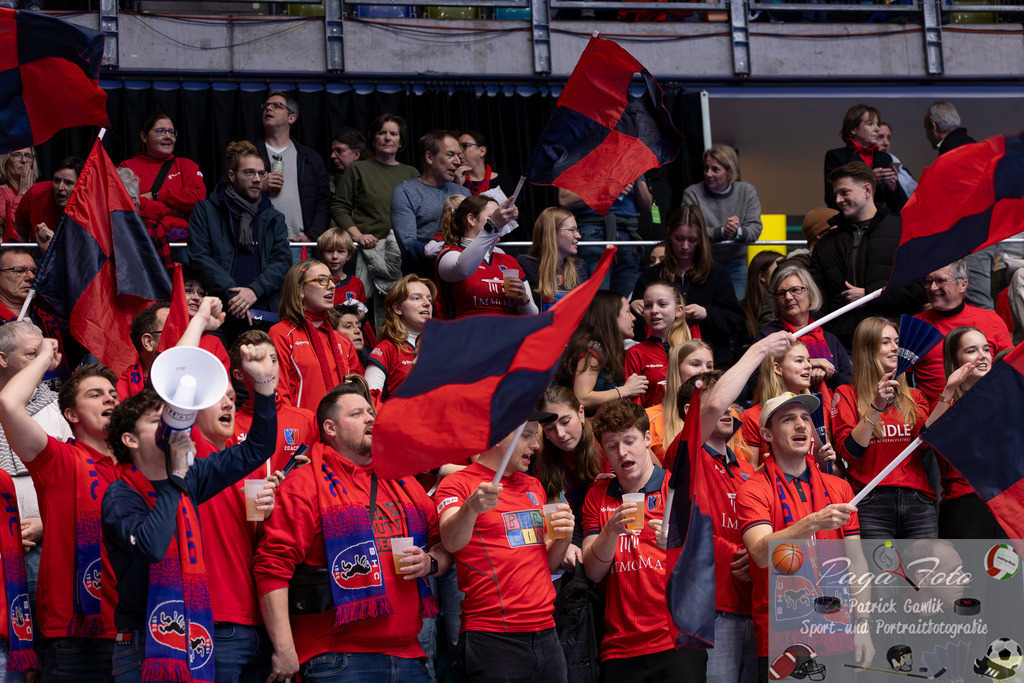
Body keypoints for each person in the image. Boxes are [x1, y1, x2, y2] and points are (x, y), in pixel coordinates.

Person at [100, 329, 280, 682]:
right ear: (130, 439)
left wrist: (263, 384)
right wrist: (175, 480)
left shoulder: (191, 477)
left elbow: (257, 449)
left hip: (197, 636)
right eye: (157, 421)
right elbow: (152, 545)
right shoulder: (119, 495)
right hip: (143, 649)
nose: (169, 427)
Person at [255, 382, 452, 682]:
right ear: (330, 428)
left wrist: (431, 562)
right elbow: (272, 567)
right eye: (357, 414)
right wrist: (284, 648)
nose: (371, 419)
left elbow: (444, 541)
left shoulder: (404, 480)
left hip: (409, 655)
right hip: (336, 658)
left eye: (371, 413)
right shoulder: (305, 484)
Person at [736, 391, 873, 680]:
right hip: (782, 638)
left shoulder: (838, 488)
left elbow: (857, 563)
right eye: (788, 419)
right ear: (767, 435)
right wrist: (811, 523)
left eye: (805, 418)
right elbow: (761, 555)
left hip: (838, 632)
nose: (801, 425)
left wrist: (862, 625)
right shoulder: (753, 490)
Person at [0, 353, 120, 680]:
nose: (109, 398)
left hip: (134, 634)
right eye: (94, 395)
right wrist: (42, 358)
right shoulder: (59, 459)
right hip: (75, 636)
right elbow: (9, 403)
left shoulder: (140, 467)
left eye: (113, 394)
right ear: (71, 414)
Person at [435, 412, 573, 682]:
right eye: (527, 435)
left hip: (546, 631)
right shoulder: (458, 484)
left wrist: (564, 538)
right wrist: (472, 508)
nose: (535, 445)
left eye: (536, 436)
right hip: (492, 636)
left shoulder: (534, 486)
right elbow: (451, 541)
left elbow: (547, 563)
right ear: (498, 436)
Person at [582, 399, 707, 681]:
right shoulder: (598, 496)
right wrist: (610, 531)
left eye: (629, 441)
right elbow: (593, 570)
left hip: (678, 641)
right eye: (612, 446)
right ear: (604, 451)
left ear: (648, 439)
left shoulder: (678, 489)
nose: (623, 452)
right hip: (619, 647)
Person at [831, 317, 935, 538]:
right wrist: (876, 406)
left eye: (897, 341)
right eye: (886, 342)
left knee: (930, 571)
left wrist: (947, 394)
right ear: (867, 350)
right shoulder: (846, 394)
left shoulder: (914, 396)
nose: (896, 348)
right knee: (883, 574)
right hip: (871, 501)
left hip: (917, 501)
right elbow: (851, 452)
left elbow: (925, 443)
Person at [808, 161, 926, 347]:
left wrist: (871, 295)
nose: (838, 200)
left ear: (867, 190)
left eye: (844, 192)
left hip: (896, 342)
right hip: (845, 345)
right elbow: (816, 299)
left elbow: (921, 288)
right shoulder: (826, 243)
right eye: (836, 194)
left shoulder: (903, 231)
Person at [187, 140, 292, 332]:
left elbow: (283, 262)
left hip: (263, 310)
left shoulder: (273, 216)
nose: (257, 179)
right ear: (231, 175)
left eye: (262, 173)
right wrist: (235, 296)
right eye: (249, 172)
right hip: (220, 310)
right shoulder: (206, 210)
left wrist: (254, 291)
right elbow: (199, 257)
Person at [0, 322, 70, 607]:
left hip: (53, 541)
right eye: (32, 354)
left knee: (53, 641)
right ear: (2, 358)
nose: (44, 360)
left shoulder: (60, 405)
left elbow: (80, 476)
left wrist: (47, 520)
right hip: (3, 549)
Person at [329, 114, 418, 324]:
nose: (387, 137)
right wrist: (358, 235)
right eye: (382, 132)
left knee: (402, 310)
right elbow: (338, 206)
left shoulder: (412, 173)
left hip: (402, 255)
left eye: (393, 133)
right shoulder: (358, 169)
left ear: (401, 140)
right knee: (365, 312)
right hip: (368, 253)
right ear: (373, 138)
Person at [633, 205, 745, 369]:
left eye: (692, 240)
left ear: (701, 239)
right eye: (679, 238)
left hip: (709, 363)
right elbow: (635, 330)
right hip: (661, 364)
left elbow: (737, 320)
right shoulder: (652, 275)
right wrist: (637, 308)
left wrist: (707, 313)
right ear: (670, 235)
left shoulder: (715, 273)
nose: (685, 246)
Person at [931, 326, 1005, 538]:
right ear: (955, 361)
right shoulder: (945, 404)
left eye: (986, 349)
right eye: (971, 351)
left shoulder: (1007, 399)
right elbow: (927, 440)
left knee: (1012, 572)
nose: (982, 356)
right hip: (966, 504)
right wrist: (950, 389)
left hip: (1006, 503)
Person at [911, 259, 1011, 402]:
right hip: (935, 418)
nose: (932, 288)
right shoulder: (914, 325)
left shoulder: (990, 320)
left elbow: (1008, 369)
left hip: (986, 409)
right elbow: (902, 381)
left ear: (962, 285)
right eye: (928, 281)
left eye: (940, 281)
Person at [270, 259, 360, 414]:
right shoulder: (281, 333)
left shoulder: (343, 340)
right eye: (322, 280)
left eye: (332, 280)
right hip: (302, 433)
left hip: (342, 431)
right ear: (300, 290)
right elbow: (278, 394)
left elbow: (359, 390)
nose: (332, 285)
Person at [228, 330, 317, 471]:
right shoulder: (229, 426)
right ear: (239, 375)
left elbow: (324, 475)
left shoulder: (306, 420)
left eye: (273, 360)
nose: (268, 367)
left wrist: (309, 471)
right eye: (258, 361)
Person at [535, 385, 603, 571]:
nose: (560, 434)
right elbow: (555, 518)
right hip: (579, 531)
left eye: (565, 421)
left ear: (581, 413)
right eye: (550, 428)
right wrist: (563, 545)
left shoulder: (607, 437)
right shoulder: (546, 458)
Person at [683, 144, 764, 299]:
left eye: (715, 169)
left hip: (735, 263)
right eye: (706, 168)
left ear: (729, 172)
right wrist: (722, 232)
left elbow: (755, 229)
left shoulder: (746, 191)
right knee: (703, 309)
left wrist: (737, 231)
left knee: (736, 308)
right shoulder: (692, 193)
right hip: (702, 263)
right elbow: (690, 231)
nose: (708, 174)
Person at [755, 265, 853, 393]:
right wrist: (809, 364)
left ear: (811, 294)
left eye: (795, 290)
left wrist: (830, 373)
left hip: (831, 410)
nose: (788, 297)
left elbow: (850, 384)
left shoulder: (830, 339)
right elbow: (756, 382)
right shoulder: (769, 336)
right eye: (781, 293)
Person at [435, 194, 535, 318]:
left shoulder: (509, 260)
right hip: (465, 334)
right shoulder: (449, 254)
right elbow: (463, 269)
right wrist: (491, 227)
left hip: (506, 334)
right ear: (471, 219)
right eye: (492, 217)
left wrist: (524, 300)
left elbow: (533, 315)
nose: (499, 223)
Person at [119, 111, 206, 242]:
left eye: (172, 132)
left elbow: (198, 198)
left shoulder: (186, 165)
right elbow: (127, 206)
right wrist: (173, 210)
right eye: (161, 131)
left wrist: (156, 195)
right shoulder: (127, 167)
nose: (168, 136)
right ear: (144, 136)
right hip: (143, 242)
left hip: (182, 243)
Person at [392, 130, 470, 275]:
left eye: (458, 156)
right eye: (450, 154)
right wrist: (445, 251)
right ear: (429, 157)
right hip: (423, 278)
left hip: (460, 274)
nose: (458, 161)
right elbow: (408, 245)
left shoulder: (463, 193)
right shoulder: (405, 192)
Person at [256, 91, 330, 244]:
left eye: (277, 106)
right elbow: (227, 193)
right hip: (261, 243)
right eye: (266, 106)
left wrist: (313, 235)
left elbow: (324, 200)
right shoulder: (250, 154)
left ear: (291, 117)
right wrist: (258, 184)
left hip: (300, 243)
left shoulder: (310, 158)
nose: (269, 109)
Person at [556, 291, 647, 412]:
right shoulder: (592, 351)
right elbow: (582, 398)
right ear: (610, 317)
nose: (634, 317)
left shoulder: (610, 350)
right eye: (628, 311)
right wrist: (626, 390)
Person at [559, 178, 651, 298]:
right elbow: (565, 199)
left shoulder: (632, 160)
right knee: (597, 300)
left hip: (628, 235)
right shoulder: (578, 159)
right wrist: (607, 188)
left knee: (626, 300)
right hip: (595, 231)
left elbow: (648, 205)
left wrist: (637, 173)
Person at [740, 342, 828, 463]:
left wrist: (828, 464)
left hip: (817, 481)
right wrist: (772, 466)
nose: (809, 366)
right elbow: (748, 473)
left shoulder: (817, 410)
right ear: (777, 368)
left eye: (808, 360)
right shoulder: (752, 416)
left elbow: (835, 471)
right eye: (799, 361)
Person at [823, 103, 906, 214]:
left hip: (882, 223)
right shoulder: (836, 156)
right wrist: (870, 179)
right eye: (870, 124)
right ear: (853, 129)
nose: (877, 129)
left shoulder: (885, 158)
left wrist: (893, 187)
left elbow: (899, 206)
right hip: (851, 223)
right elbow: (832, 199)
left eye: (877, 124)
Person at [366, 274, 435, 400]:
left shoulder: (442, 347)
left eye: (429, 299)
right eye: (416, 298)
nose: (427, 304)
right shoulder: (387, 349)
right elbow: (370, 399)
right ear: (397, 308)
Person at [646, 339, 714, 465]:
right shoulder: (649, 418)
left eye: (709, 366)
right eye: (696, 364)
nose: (705, 371)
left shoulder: (728, 414)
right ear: (676, 370)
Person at [626, 281, 692, 408]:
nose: (654, 310)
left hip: (690, 422)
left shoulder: (692, 350)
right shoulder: (636, 353)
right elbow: (634, 406)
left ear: (679, 311)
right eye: (648, 305)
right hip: (653, 424)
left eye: (662, 304)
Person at [517, 207, 589, 312]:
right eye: (572, 230)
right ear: (552, 233)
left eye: (577, 230)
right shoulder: (526, 265)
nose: (578, 236)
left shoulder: (580, 266)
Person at [13, 156, 83, 252]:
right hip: (38, 254)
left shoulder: (89, 204)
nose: (60, 187)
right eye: (57, 180)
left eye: (68, 183)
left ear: (80, 186)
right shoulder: (35, 193)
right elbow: (19, 230)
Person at [317, 227, 366, 308]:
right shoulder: (316, 282)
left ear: (349, 255)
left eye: (340, 251)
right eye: (329, 251)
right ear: (321, 254)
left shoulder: (356, 283)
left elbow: (363, 314)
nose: (335, 256)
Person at [739, 250, 782, 340]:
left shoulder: (784, 306)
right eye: (778, 271)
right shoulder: (739, 310)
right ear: (762, 276)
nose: (782, 275)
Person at [0, 147, 37, 240]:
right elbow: (11, 227)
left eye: (28, 156)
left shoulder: (38, 191)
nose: (24, 160)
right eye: (17, 155)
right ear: (5, 161)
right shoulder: (1, 192)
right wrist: (22, 193)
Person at [876, 121, 918, 199]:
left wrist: (894, 189)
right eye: (880, 137)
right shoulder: (868, 168)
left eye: (888, 138)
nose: (886, 143)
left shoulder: (903, 171)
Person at [458, 130, 500, 195]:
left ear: (482, 151)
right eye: (458, 148)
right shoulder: (455, 182)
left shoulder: (504, 181)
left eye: (464, 146)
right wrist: (457, 185)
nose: (459, 151)